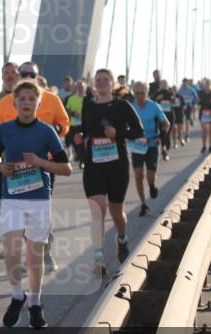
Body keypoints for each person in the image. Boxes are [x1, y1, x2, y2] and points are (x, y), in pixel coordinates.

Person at [0, 80, 72, 329]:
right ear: (14, 103)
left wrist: (40, 161)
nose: (26, 102)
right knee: (12, 250)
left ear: (39, 103)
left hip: (38, 199)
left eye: (31, 99)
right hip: (12, 198)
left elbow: (66, 168)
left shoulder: (47, 132)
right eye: (22, 99)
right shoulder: (4, 130)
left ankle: (35, 304)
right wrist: (0, 166)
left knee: (35, 255)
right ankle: (18, 295)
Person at [73, 68, 144, 273]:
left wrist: (117, 132)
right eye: (99, 80)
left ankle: (122, 238)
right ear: (94, 84)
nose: (102, 82)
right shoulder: (88, 106)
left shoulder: (122, 106)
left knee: (116, 211)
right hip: (94, 165)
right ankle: (98, 259)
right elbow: (85, 131)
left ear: (113, 84)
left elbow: (138, 131)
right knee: (98, 209)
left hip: (117, 164)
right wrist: (79, 137)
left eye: (106, 80)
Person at [130, 82, 170, 217]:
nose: (140, 96)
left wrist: (162, 135)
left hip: (152, 143)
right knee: (138, 175)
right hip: (136, 145)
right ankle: (143, 204)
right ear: (133, 93)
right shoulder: (131, 107)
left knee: (150, 175)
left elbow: (166, 123)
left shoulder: (154, 106)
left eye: (142, 93)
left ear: (147, 93)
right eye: (137, 93)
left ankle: (152, 185)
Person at [151, 79, 177, 159]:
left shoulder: (170, 92)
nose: (163, 85)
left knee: (167, 133)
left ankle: (166, 149)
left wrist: (173, 96)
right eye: (162, 84)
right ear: (160, 85)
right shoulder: (157, 93)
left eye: (165, 84)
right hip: (160, 116)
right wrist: (158, 98)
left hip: (169, 115)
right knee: (162, 133)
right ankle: (164, 149)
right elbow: (152, 103)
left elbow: (174, 102)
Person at [65, 79, 86, 165]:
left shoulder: (88, 99)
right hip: (73, 125)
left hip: (84, 124)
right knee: (75, 143)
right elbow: (66, 110)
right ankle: (78, 156)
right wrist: (72, 113)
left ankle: (82, 161)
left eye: (82, 87)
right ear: (76, 88)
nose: (80, 88)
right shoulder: (71, 99)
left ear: (85, 88)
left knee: (83, 144)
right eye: (79, 86)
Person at [197, 78, 211, 153]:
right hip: (203, 112)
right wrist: (198, 102)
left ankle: (210, 146)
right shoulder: (200, 92)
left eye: (208, 84)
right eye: (205, 84)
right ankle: (204, 146)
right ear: (203, 84)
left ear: (210, 85)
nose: (206, 85)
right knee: (204, 130)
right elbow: (197, 101)